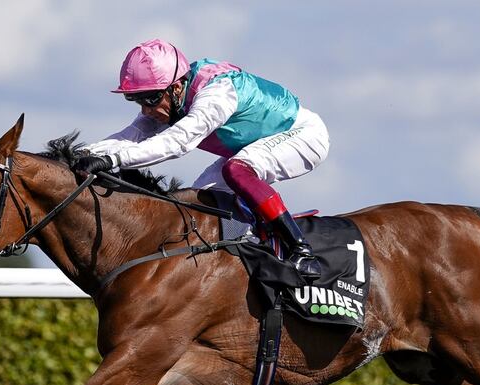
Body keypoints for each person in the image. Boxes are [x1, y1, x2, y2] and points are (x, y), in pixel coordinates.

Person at [73, 39, 330, 281]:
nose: (145, 110)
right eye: (136, 100)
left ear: (175, 87)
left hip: (302, 136)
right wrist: (81, 154)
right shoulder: (171, 96)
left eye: (150, 99)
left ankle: (300, 250)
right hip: (252, 146)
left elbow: (176, 143)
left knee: (237, 170)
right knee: (199, 203)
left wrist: (112, 160)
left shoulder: (216, 94)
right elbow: (132, 136)